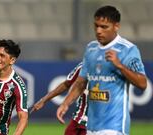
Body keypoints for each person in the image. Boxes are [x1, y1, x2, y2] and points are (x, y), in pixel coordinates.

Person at [56, 5, 147, 135]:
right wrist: (65, 104)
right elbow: (81, 82)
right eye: (96, 26)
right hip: (91, 126)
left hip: (114, 126)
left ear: (116, 26)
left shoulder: (128, 49)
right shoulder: (91, 49)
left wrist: (120, 65)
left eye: (104, 27)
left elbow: (143, 83)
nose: (98, 31)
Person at [30, 62, 88, 135]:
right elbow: (68, 84)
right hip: (78, 120)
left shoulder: (106, 70)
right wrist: (44, 100)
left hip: (97, 124)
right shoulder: (83, 66)